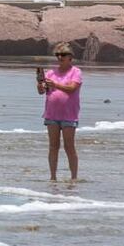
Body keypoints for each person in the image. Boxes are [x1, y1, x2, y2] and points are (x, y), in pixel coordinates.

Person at [38, 42, 82, 182]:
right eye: (57, 55)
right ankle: (53, 177)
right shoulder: (51, 73)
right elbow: (41, 92)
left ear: (70, 57)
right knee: (53, 146)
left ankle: (74, 177)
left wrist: (56, 85)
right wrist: (41, 85)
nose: (60, 57)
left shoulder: (76, 72)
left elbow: (72, 88)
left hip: (69, 115)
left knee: (69, 146)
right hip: (52, 114)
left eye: (63, 54)